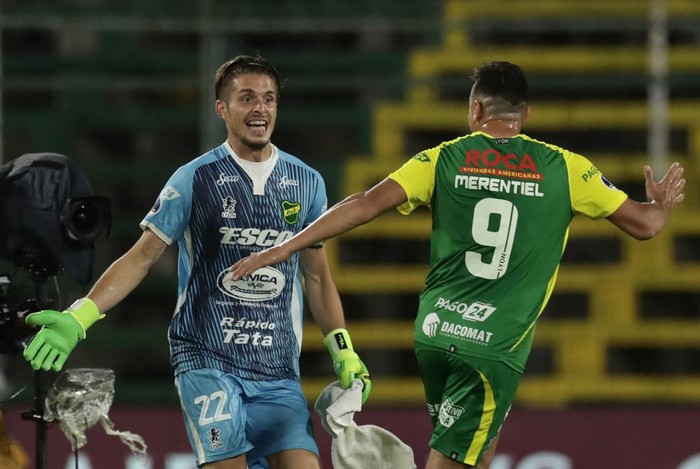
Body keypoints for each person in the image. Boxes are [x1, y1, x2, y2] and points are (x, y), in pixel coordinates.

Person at [228, 61, 687, 469]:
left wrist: (286, 247)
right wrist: (661, 205)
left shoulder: (443, 157)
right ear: (525, 116)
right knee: (457, 459)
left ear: (475, 111)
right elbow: (644, 226)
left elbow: (364, 203)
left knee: (477, 452)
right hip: (493, 348)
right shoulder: (566, 168)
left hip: (435, 333)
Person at [22, 54, 371, 469]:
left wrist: (343, 350)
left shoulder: (307, 182)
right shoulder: (193, 179)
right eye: (247, 98)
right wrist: (80, 317)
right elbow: (141, 257)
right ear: (222, 109)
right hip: (207, 362)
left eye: (269, 99)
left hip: (278, 371)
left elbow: (316, 278)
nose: (260, 108)